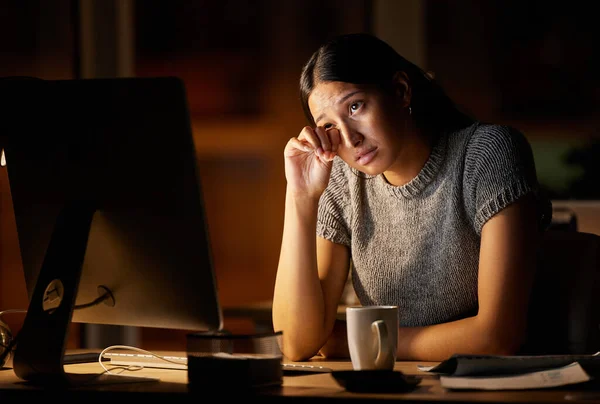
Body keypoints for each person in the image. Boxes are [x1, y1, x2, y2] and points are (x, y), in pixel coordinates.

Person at [271, 32, 552, 362]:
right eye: (329, 126)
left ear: (401, 91)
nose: (350, 138)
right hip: (393, 389)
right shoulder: (343, 182)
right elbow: (295, 343)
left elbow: (497, 337)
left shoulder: (487, 154)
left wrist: (357, 342)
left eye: (356, 106)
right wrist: (301, 196)